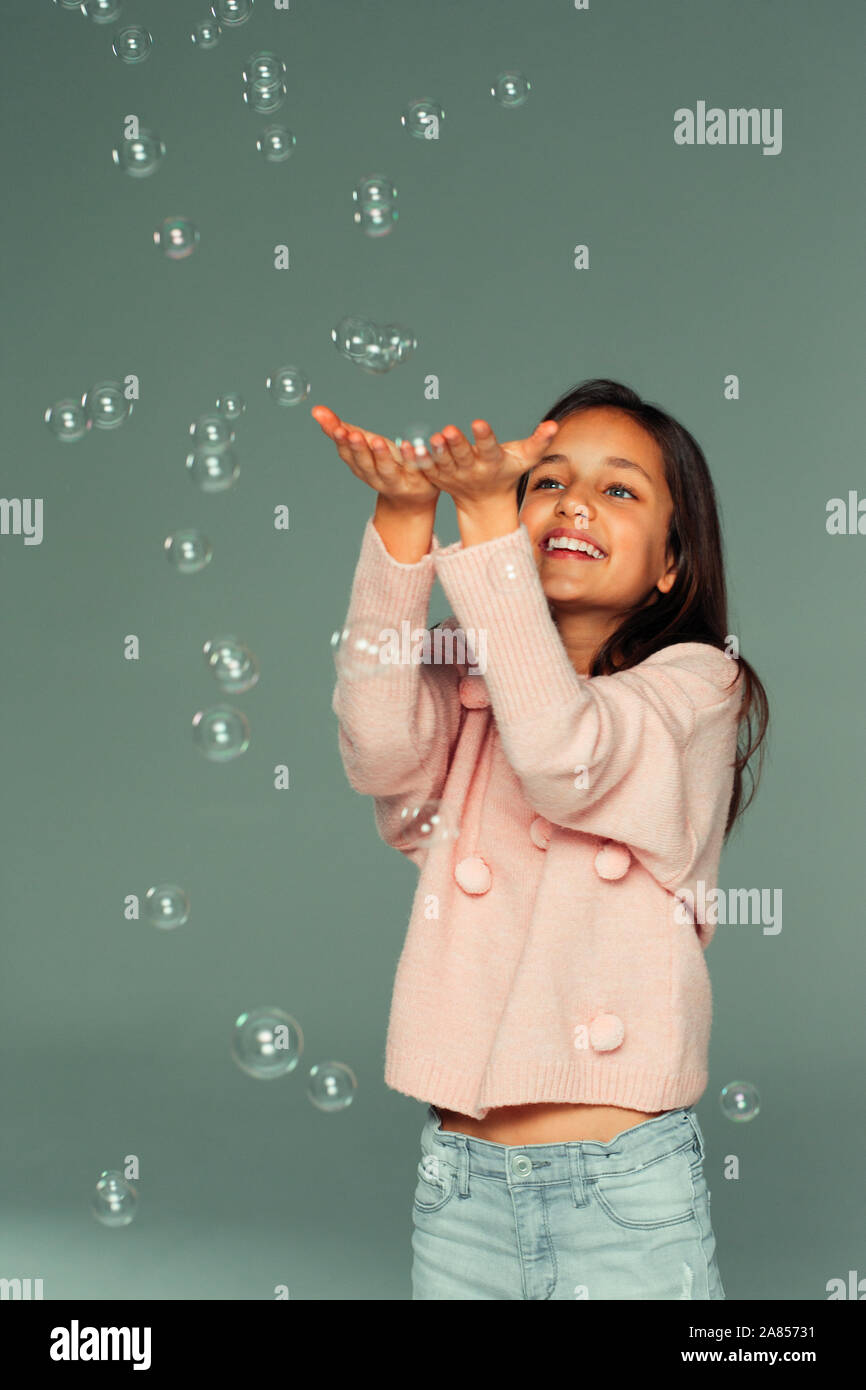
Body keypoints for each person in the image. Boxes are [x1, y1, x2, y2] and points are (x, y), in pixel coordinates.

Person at [314, 377, 769, 1299]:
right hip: (461, 1184)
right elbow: (378, 750)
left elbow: (566, 751)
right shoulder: (469, 669)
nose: (574, 505)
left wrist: (486, 524)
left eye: (619, 490)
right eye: (547, 482)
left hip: (623, 1189)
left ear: (673, 564)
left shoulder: (695, 689)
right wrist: (405, 523)